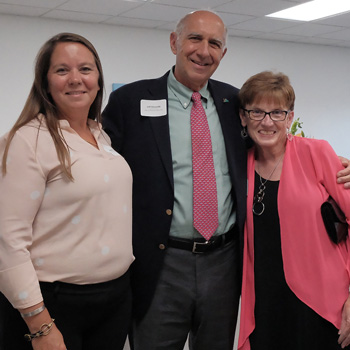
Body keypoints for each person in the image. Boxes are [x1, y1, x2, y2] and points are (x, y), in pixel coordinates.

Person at [102, 10, 350, 350]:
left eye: (214, 43)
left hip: (224, 261)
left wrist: (332, 162)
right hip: (161, 263)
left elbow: (274, 139)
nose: (204, 51)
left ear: (223, 53)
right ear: (174, 42)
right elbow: (100, 161)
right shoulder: (131, 101)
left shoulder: (233, 101)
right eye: (195, 38)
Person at [0, 33, 134, 350]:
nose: (75, 79)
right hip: (54, 305)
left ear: (99, 80)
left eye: (85, 69)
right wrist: (39, 324)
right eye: (62, 70)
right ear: (45, 83)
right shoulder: (28, 139)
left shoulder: (101, 136)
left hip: (113, 299)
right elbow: (7, 239)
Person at [237, 71, 350, 350]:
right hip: (265, 305)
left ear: (289, 118)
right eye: (257, 112)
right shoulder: (239, 164)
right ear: (243, 117)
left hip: (322, 302)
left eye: (277, 112)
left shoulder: (317, 153)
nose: (266, 122)